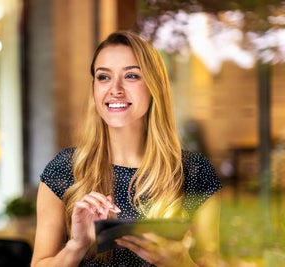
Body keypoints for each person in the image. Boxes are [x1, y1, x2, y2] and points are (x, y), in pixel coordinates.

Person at [31, 31, 222, 267]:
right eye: (104, 77)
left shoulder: (195, 173)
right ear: (94, 88)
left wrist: (180, 262)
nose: (115, 89)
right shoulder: (64, 169)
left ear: (154, 86)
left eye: (131, 76)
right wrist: (76, 245)